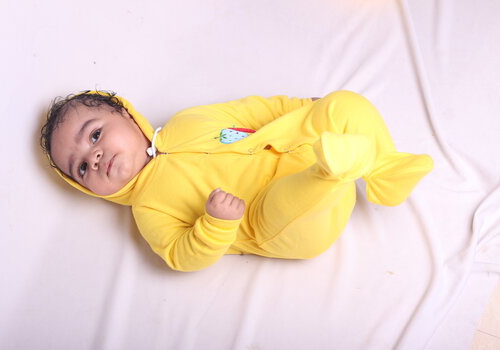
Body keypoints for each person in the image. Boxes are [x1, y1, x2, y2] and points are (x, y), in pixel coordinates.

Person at [40, 90, 433, 272]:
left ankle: (384, 172)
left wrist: (305, 109)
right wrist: (216, 222)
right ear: (86, 190)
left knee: (345, 104)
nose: (93, 158)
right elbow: (181, 256)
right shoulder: (148, 208)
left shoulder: (186, 121)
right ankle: (336, 170)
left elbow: (256, 110)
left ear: (126, 116)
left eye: (94, 136)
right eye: (80, 169)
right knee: (291, 197)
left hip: (296, 147)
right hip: (276, 219)